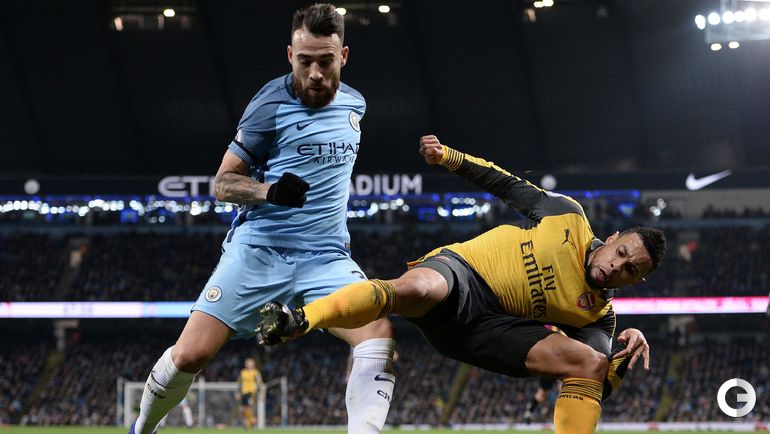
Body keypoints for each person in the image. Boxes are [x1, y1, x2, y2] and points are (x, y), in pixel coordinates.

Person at [257, 135, 666, 434]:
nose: (617, 266)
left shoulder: (597, 317)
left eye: (630, 270)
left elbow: (595, 384)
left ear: (637, 281)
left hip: (491, 331)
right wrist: (449, 157)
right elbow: (505, 184)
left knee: (589, 361)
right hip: (463, 275)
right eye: (621, 253)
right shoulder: (568, 217)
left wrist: (621, 358)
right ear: (613, 238)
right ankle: (299, 319)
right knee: (418, 289)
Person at [129, 5, 395, 433]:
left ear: (343, 56)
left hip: (327, 258)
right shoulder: (269, 104)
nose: (314, 73)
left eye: (325, 61)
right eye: (304, 61)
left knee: (377, 334)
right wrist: (268, 191)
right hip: (259, 251)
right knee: (191, 355)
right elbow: (222, 183)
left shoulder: (356, 105)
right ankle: (142, 428)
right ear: (290, 55)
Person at [238, 358, 263, 429]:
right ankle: (250, 420)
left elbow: (259, 383)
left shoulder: (256, 372)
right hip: (243, 392)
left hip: (251, 392)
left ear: (253, 364)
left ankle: (250, 422)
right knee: (242, 409)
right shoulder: (243, 372)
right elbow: (239, 382)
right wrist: (238, 392)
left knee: (249, 407)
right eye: (247, 363)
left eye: (250, 364)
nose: (248, 365)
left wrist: (261, 392)